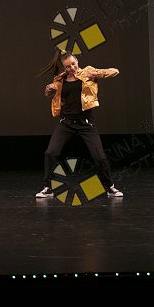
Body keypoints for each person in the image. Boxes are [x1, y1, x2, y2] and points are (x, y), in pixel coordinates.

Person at [36, 50, 124, 199]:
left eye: (73, 64)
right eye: (68, 66)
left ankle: (110, 186)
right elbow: (49, 93)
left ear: (77, 61)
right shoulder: (60, 79)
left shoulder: (88, 72)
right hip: (66, 123)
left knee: (99, 157)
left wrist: (96, 74)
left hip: (86, 124)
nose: (72, 68)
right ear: (64, 67)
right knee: (50, 153)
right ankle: (47, 188)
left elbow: (115, 71)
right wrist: (49, 89)